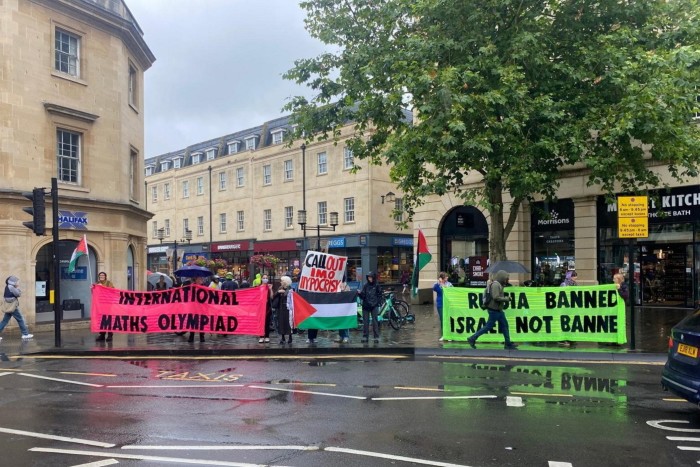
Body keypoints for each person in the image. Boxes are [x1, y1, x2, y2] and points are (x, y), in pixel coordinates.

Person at [467, 270, 517, 350]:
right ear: (502, 278)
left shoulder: (499, 285)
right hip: (494, 310)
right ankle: (472, 338)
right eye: (506, 279)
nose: (507, 280)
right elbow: (495, 297)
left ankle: (508, 343)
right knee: (488, 326)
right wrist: (506, 299)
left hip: (498, 310)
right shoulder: (496, 285)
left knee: (504, 326)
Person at [0, 275, 33, 341]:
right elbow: (18, 294)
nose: (17, 283)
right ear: (13, 282)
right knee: (20, 319)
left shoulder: (7, 286)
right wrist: (17, 288)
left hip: (9, 306)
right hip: (13, 307)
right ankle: (25, 334)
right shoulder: (11, 287)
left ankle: (25, 334)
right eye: (16, 282)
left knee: (4, 321)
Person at [358, 271, 383, 343]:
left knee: (375, 321)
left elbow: (380, 295)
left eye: (371, 277)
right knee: (365, 322)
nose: (370, 279)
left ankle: (376, 337)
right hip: (366, 306)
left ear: (373, 278)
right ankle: (365, 336)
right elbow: (363, 295)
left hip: (374, 306)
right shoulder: (365, 285)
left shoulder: (377, 285)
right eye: (369, 277)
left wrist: (377, 303)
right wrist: (359, 294)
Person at [272, 275, 293, 344]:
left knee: (289, 322)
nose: (280, 282)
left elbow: (292, 298)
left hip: (288, 308)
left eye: (282, 281)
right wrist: (278, 292)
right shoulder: (280, 288)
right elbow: (273, 296)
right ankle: (283, 337)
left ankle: (290, 336)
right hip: (281, 307)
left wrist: (285, 293)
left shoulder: (290, 289)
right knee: (281, 322)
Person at [433, 271, 452, 342]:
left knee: (447, 319)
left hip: (447, 304)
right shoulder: (437, 284)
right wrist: (439, 283)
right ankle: (444, 335)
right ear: (442, 278)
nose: (447, 277)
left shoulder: (449, 284)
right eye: (446, 276)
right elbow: (434, 289)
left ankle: (449, 334)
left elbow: (449, 290)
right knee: (442, 319)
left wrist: (442, 284)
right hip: (440, 304)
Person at [95, 272, 114, 342]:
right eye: (100, 275)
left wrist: (102, 287)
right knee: (101, 320)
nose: (101, 276)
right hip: (100, 305)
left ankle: (110, 335)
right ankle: (102, 335)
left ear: (105, 276)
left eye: (103, 275)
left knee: (108, 320)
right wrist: (92, 288)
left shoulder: (109, 283)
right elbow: (94, 294)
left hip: (108, 304)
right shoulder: (96, 283)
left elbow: (112, 291)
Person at [188, 276, 207, 343]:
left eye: (201, 278)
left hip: (201, 308)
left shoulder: (204, 287)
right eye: (199, 279)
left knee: (201, 323)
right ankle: (191, 337)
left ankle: (202, 337)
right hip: (193, 308)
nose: (201, 280)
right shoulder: (192, 287)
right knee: (192, 323)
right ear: (195, 280)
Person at [258, 274, 273, 344]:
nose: (265, 279)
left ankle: (267, 336)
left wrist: (270, 289)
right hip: (260, 307)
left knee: (267, 323)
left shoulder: (268, 287)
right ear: (261, 279)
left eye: (266, 278)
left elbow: (271, 297)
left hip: (267, 307)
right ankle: (261, 336)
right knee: (261, 323)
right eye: (264, 278)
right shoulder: (259, 287)